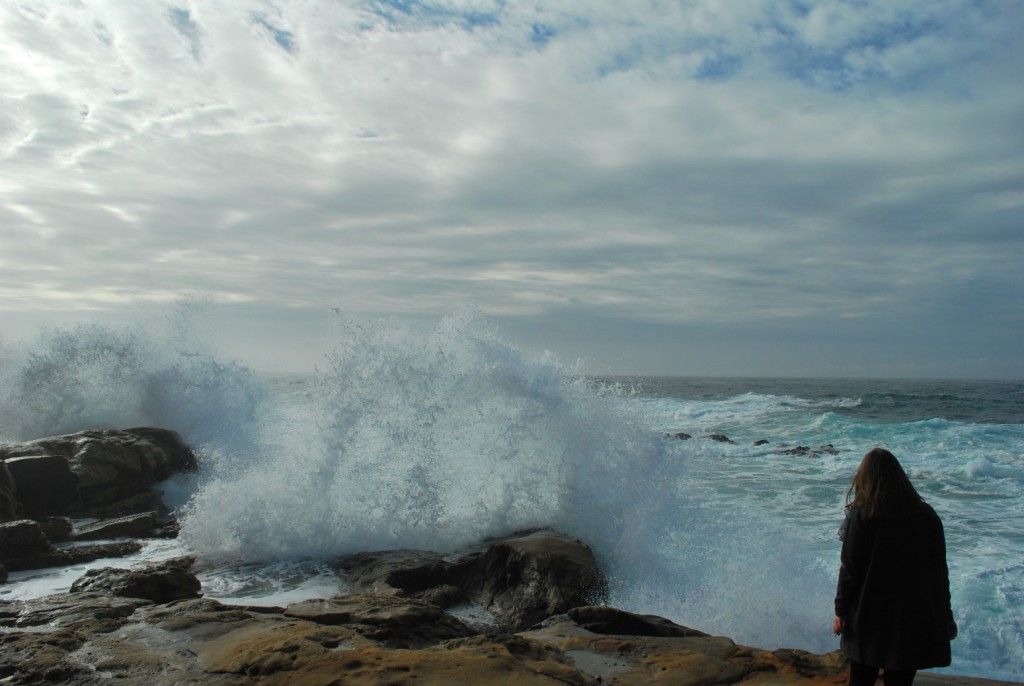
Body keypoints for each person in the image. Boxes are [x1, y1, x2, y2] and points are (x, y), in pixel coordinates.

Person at [834, 448, 957, 686]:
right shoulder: (927, 516)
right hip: (912, 617)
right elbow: (939, 575)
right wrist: (946, 617)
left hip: (869, 615)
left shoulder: (862, 516)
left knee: (861, 679)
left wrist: (840, 610)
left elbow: (850, 570)